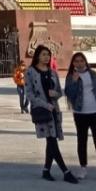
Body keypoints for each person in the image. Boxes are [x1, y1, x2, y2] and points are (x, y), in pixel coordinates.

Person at [25, 45, 77, 183]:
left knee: (51, 140)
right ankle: (65, 171)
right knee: (52, 140)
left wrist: (56, 94)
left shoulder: (53, 72)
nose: (46, 57)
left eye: (48, 54)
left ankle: (46, 170)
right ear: (37, 56)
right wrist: (44, 104)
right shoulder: (30, 72)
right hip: (42, 111)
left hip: (54, 109)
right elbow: (29, 93)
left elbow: (60, 91)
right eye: (43, 54)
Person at [64, 52, 96, 182]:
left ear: (85, 62)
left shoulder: (93, 74)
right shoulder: (71, 76)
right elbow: (69, 94)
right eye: (76, 61)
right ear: (73, 63)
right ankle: (83, 168)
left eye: (81, 61)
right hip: (80, 113)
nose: (79, 63)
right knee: (82, 141)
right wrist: (74, 81)